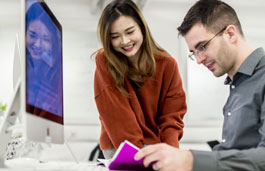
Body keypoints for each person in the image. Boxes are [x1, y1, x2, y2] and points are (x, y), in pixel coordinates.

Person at [135, 0, 265, 170]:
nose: (198, 60)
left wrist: (191, 160)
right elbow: (233, 152)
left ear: (231, 34)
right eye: (193, 53)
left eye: (202, 47)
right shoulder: (238, 85)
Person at [94, 0, 187, 159]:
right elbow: (118, 115)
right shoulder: (105, 61)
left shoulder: (167, 64)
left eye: (130, 32)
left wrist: (171, 153)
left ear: (142, 28)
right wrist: (135, 157)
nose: (124, 41)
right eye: (115, 36)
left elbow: (172, 115)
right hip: (120, 145)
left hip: (155, 144)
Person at [26, 2, 63, 118]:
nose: (38, 44)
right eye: (32, 35)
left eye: (46, 39)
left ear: (53, 43)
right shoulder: (29, 69)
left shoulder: (53, 76)